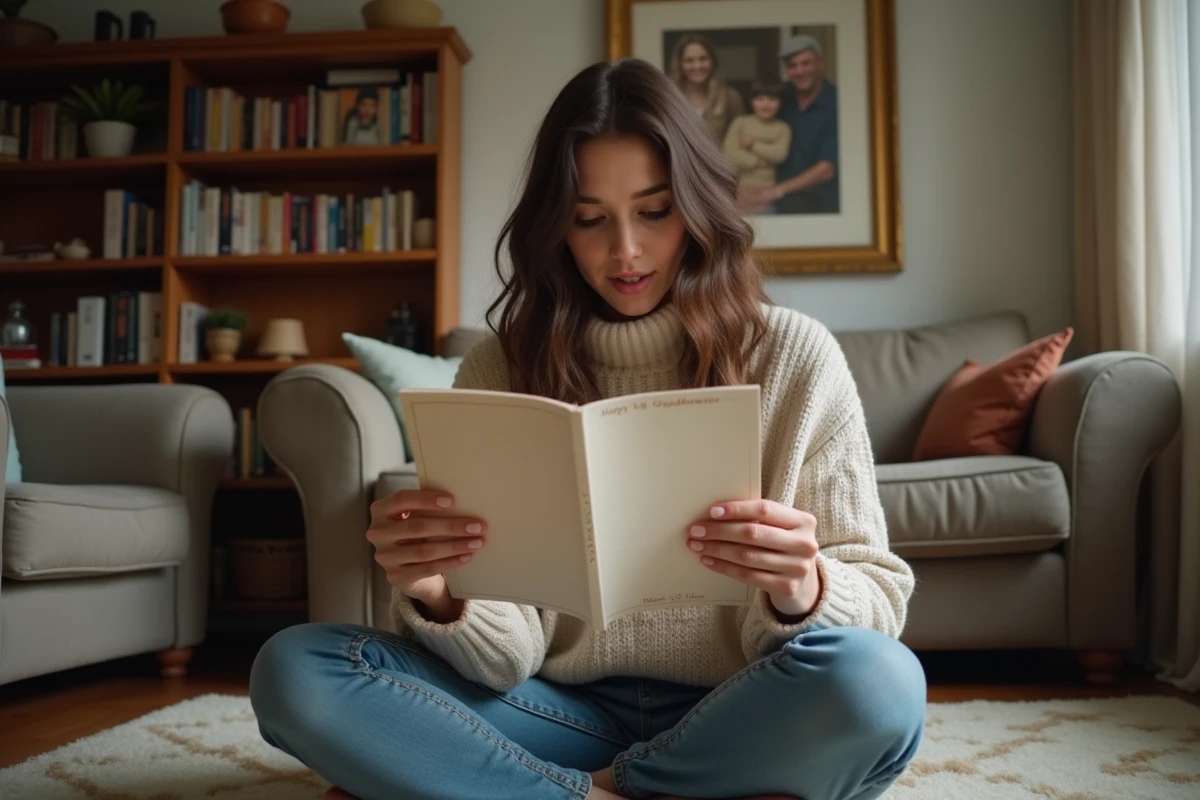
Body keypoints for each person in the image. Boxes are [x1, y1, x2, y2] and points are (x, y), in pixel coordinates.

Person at [249, 57, 925, 800]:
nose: (625, 250)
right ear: (555, 227)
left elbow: (879, 599)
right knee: (296, 670)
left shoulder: (796, 355)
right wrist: (443, 594)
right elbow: (507, 657)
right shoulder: (498, 368)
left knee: (881, 685)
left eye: (655, 210)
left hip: (745, 709)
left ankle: (549, 788)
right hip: (558, 712)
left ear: (698, 209)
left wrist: (804, 587)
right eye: (589, 218)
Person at [744, 34, 839, 214]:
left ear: (820, 63)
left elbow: (827, 169)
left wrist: (776, 192)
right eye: (792, 66)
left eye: (806, 63)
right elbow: (751, 132)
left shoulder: (837, 102)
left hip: (817, 199)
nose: (799, 70)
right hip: (769, 191)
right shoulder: (779, 96)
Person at [722, 80, 792, 215]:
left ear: (781, 102)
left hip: (767, 193)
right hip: (738, 191)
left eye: (772, 99)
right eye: (760, 99)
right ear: (751, 101)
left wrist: (753, 145)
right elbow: (729, 154)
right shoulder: (741, 122)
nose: (766, 104)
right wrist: (758, 162)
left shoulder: (782, 128)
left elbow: (780, 154)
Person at [665, 33, 745, 144]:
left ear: (713, 61)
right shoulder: (669, 98)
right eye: (689, 60)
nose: (697, 66)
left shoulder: (730, 97)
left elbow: (739, 142)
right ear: (679, 64)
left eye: (703, 59)